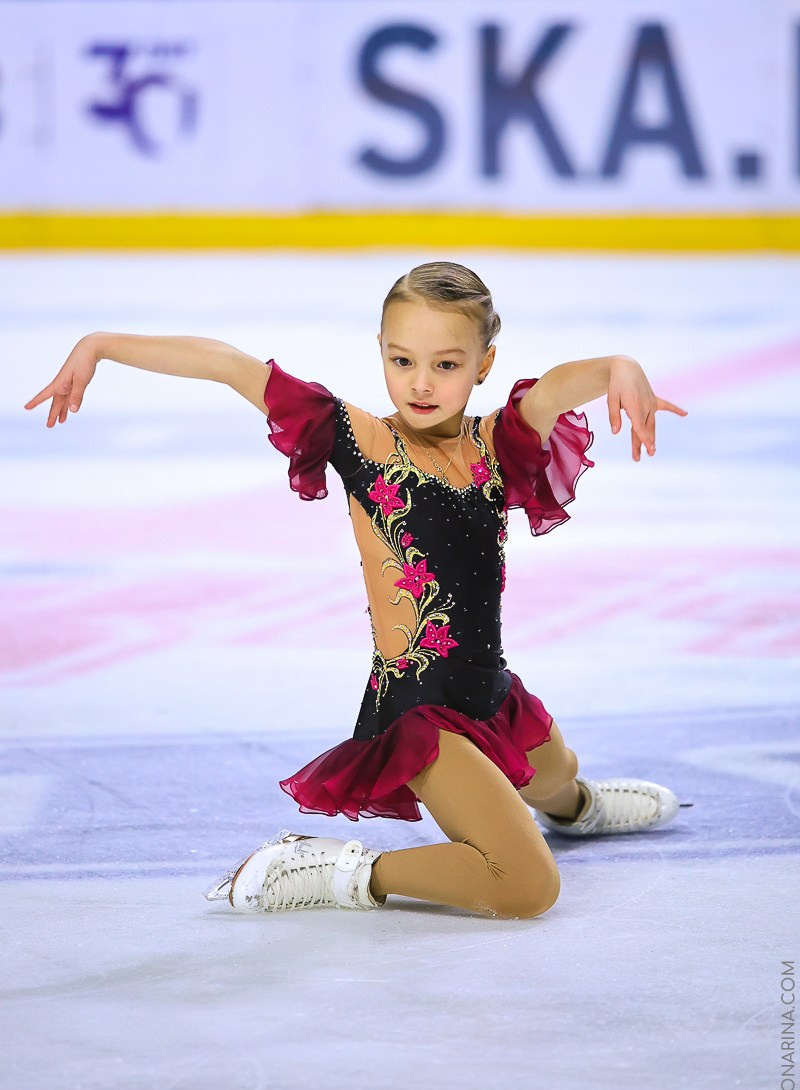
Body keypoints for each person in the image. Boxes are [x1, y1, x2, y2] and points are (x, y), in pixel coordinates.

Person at [25, 261, 689, 921]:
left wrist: (618, 366)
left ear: (484, 363)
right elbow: (230, 365)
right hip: (420, 710)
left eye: (446, 365)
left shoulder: (495, 444)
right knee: (525, 886)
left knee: (557, 772)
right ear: (381, 351)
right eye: (402, 361)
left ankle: (577, 810)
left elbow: (552, 390)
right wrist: (101, 345)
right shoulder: (364, 441)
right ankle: (336, 869)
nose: (421, 383)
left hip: (490, 691)